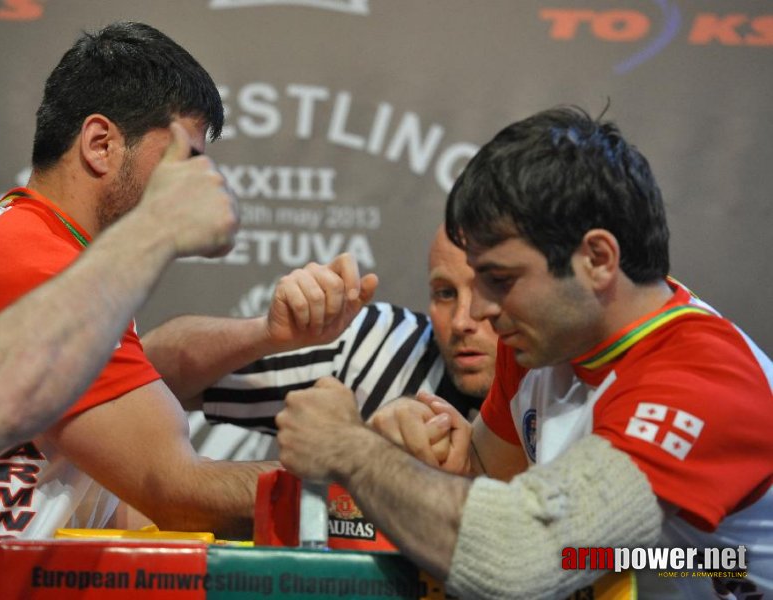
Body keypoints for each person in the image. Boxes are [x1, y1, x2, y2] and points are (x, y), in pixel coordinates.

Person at [274, 107, 773, 599]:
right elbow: (489, 480)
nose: (484, 311)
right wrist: (427, 449)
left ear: (597, 260)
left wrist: (355, 451)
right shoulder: (544, 339)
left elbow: (520, 558)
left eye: (500, 280)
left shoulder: (701, 380)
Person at [0, 22, 275, 600]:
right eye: (183, 158)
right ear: (100, 144)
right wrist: (353, 488)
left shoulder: (39, 249)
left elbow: (131, 509)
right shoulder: (33, 264)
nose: (198, 182)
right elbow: (171, 487)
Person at [140, 225, 499, 442]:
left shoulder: (552, 388)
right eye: (445, 293)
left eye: (490, 288)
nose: (462, 321)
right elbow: (143, 377)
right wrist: (265, 334)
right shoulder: (377, 345)